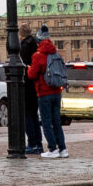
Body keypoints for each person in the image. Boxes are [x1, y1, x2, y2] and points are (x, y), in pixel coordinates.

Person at [30, 26, 68, 157]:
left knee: (46, 122)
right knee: (56, 121)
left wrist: (28, 69)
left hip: (44, 92)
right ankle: (62, 149)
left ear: (39, 42)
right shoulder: (55, 53)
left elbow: (32, 74)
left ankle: (52, 149)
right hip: (56, 91)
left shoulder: (38, 55)